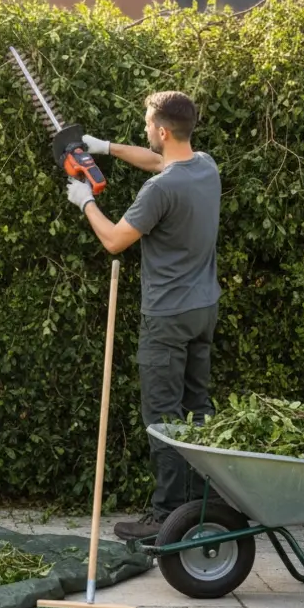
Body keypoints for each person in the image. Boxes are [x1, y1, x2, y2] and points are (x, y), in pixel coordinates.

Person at [64, 91, 222, 541]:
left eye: (148, 126)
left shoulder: (161, 190)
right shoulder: (204, 167)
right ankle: (202, 507)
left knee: (164, 419)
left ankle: (167, 519)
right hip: (202, 310)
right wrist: (103, 147)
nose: (145, 131)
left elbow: (115, 240)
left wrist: (85, 202)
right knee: (197, 412)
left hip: (168, 317)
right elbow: (157, 163)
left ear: (163, 131)